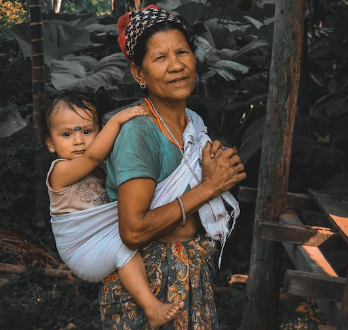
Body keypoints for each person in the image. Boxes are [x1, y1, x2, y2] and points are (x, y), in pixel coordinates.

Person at [99, 5, 247, 330]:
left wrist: (219, 171)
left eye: (182, 51)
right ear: (139, 74)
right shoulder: (138, 134)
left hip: (192, 274)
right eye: (160, 57)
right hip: (150, 287)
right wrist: (209, 187)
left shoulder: (192, 123)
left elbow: (206, 179)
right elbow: (133, 231)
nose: (177, 65)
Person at [40, 89, 185, 329]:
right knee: (124, 247)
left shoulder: (104, 169)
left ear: (98, 131)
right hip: (82, 249)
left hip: (102, 238)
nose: (79, 141)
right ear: (50, 143)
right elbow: (91, 157)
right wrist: (118, 120)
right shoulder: (59, 172)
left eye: (87, 131)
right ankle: (152, 308)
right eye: (67, 134)